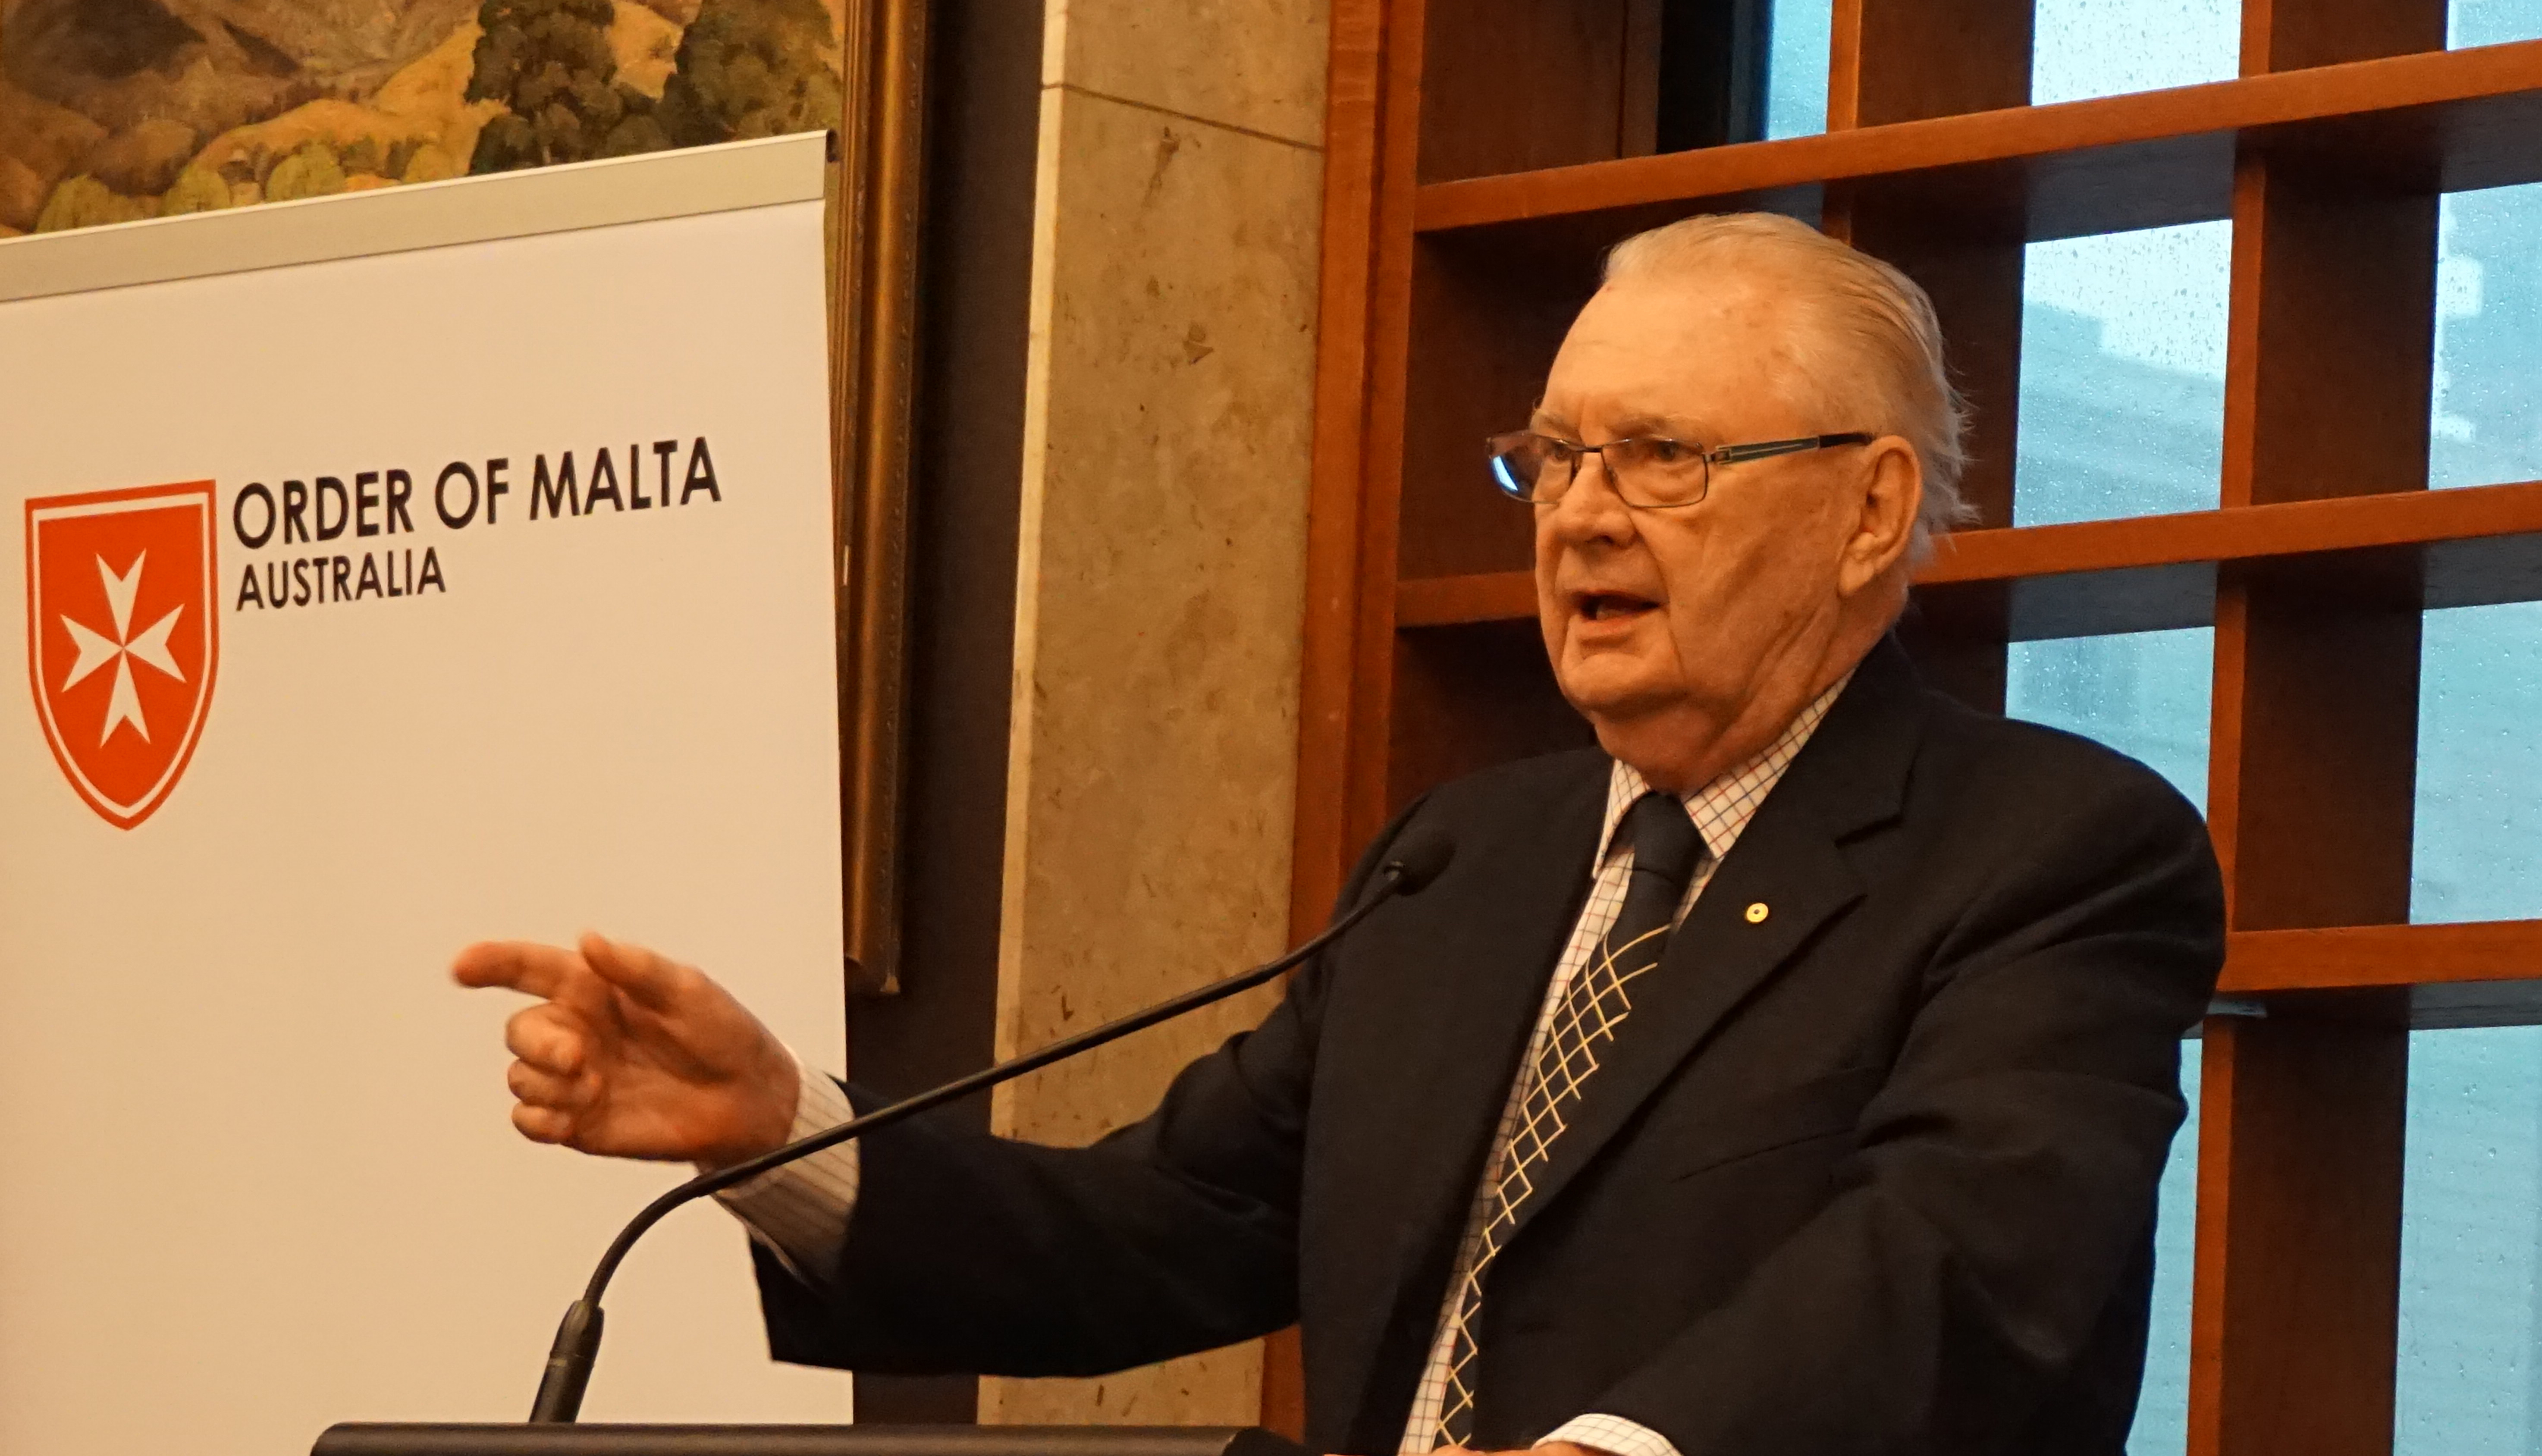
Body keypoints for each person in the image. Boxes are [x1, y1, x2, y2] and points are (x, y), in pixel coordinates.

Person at [456, 212, 2225, 1456]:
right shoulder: (1468, 861)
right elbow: (1171, 1221)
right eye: (1554, 459)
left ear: (1868, 510)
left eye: (1662, 458)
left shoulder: (2052, 855)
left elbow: (1957, 1268)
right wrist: (783, 1134)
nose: (1582, 517)